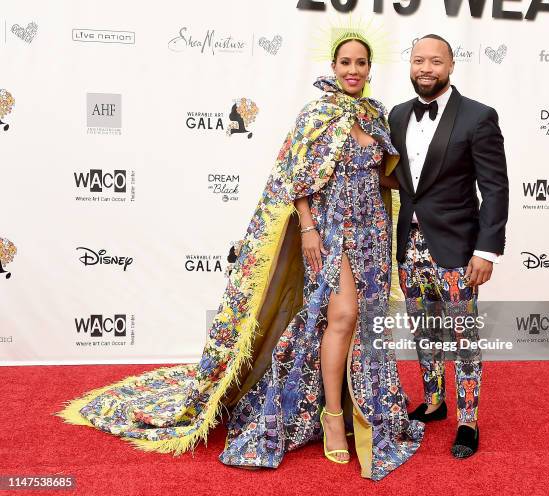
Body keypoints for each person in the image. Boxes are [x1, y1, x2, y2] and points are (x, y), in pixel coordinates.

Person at [57, 32, 424, 481]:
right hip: (330, 231)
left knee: (361, 323)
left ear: (370, 69)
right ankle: (332, 416)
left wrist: (429, 182)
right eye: (345, 62)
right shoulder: (316, 115)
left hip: (372, 233)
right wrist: (308, 227)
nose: (353, 70)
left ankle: (359, 406)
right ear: (332, 67)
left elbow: (384, 175)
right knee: (342, 316)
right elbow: (293, 177)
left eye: (361, 63)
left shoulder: (376, 115)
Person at [386, 34, 509, 458]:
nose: (425, 68)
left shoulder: (478, 117)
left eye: (435, 61)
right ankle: (435, 401)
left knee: (464, 338)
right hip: (410, 246)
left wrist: (486, 250)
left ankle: (468, 419)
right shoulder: (398, 115)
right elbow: (396, 178)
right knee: (425, 331)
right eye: (419, 60)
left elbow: (495, 188)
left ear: (451, 65)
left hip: (458, 249)